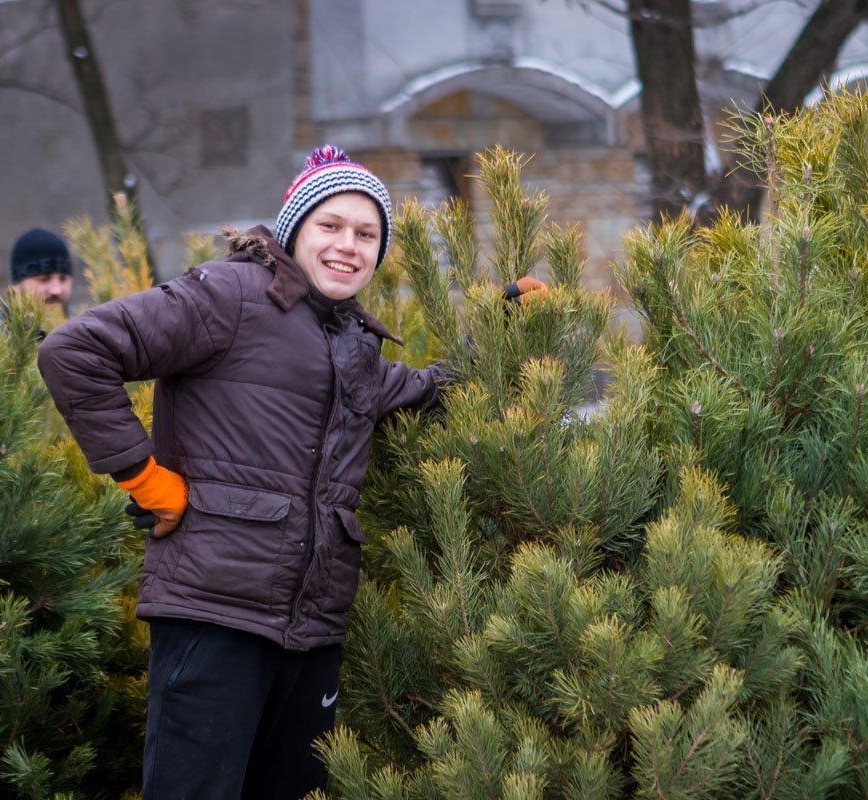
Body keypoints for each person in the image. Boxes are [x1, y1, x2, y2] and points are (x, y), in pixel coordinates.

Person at [37, 145, 543, 798]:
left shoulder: (352, 342)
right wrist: (144, 477)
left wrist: (506, 330)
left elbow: (424, 392)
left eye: (367, 235)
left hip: (310, 630)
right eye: (331, 225)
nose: (348, 246)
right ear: (294, 227)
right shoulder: (227, 295)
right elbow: (74, 349)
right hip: (214, 615)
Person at [9, 228, 74, 315]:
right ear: (17, 284)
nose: (56, 290)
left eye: (63, 279)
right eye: (44, 279)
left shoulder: (86, 327)